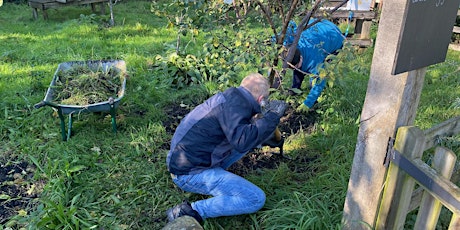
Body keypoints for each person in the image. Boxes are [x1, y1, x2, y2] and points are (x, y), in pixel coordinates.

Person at [165, 73, 287, 223]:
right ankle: (189, 212)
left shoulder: (232, 99)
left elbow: (244, 138)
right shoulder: (235, 107)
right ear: (261, 99)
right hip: (187, 174)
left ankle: (219, 180)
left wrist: (263, 135)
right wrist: (272, 117)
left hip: (185, 159)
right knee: (255, 199)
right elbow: (242, 141)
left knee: (246, 144)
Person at [280, 19, 345, 112]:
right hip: (316, 25)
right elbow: (291, 24)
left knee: (315, 78)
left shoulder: (315, 60)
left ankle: (313, 100)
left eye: (295, 66)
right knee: (300, 69)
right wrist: (274, 39)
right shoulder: (291, 41)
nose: (293, 69)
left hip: (334, 36)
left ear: (301, 58)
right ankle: (295, 89)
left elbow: (320, 80)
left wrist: (307, 103)